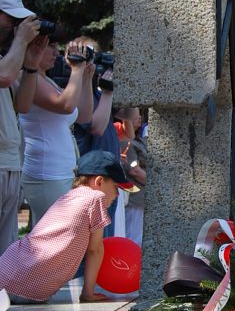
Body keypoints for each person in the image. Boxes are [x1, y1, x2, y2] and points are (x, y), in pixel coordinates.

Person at [0, 151, 137, 305]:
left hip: (8, 268)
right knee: (101, 250)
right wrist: (88, 294)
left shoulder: (70, 196)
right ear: (99, 181)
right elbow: (95, 250)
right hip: (29, 287)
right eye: (116, 187)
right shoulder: (95, 198)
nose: (117, 195)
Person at [19, 39, 95, 226]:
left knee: (62, 237)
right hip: (46, 174)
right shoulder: (29, 78)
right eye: (50, 46)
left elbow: (84, 115)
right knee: (52, 237)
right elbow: (66, 105)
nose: (56, 52)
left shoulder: (48, 80)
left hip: (62, 172)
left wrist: (85, 77)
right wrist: (76, 70)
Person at [0, 0, 46, 254]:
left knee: (4, 252)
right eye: (11, 20)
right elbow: (4, 77)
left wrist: (31, 64)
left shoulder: (7, 57)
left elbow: (23, 104)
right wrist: (20, 41)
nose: (16, 27)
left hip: (9, 163)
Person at [72, 37, 122, 237]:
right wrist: (109, 91)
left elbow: (131, 116)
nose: (90, 65)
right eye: (85, 57)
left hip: (108, 177)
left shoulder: (99, 94)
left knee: (105, 242)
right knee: (93, 242)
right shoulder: (77, 95)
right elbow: (97, 128)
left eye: (93, 57)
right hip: (93, 180)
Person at [116, 106, 147, 247]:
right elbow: (134, 170)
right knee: (132, 238)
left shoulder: (136, 139)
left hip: (140, 197)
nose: (139, 118)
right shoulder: (124, 141)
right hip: (134, 197)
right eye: (135, 116)